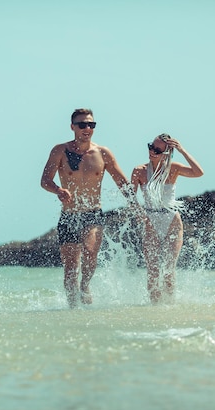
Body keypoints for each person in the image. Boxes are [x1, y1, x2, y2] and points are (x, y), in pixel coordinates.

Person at [41, 108, 138, 308]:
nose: (87, 128)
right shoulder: (60, 150)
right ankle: (73, 309)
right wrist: (58, 190)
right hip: (68, 215)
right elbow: (44, 181)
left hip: (93, 213)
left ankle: (85, 286)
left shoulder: (102, 153)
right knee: (70, 268)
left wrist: (136, 205)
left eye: (91, 124)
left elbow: (121, 182)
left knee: (90, 251)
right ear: (72, 127)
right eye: (82, 124)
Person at [131, 133, 204, 304]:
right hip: (150, 220)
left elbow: (198, 172)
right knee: (153, 271)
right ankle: (156, 309)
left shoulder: (174, 168)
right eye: (151, 146)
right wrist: (142, 218)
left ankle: (169, 309)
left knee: (169, 270)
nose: (152, 151)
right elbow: (131, 198)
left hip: (171, 220)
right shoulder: (139, 171)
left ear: (166, 153)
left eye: (157, 149)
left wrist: (182, 150)